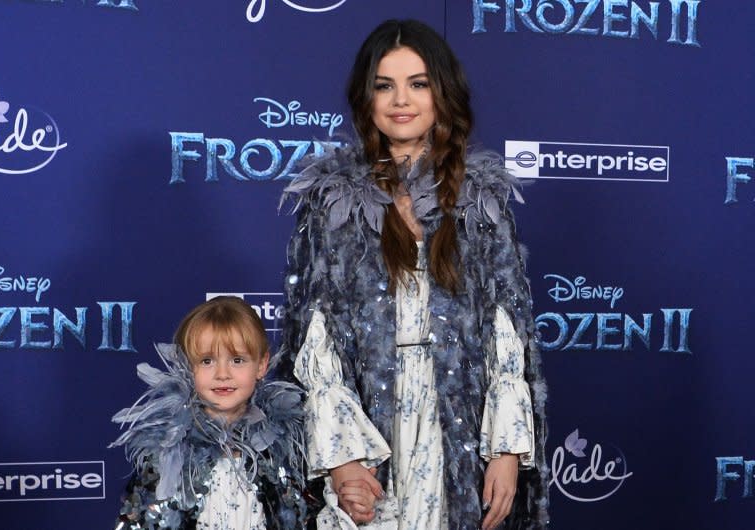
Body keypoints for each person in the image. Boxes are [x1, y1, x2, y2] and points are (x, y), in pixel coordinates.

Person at [277, 19, 549, 530]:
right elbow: (317, 336)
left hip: (462, 426)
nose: (401, 100)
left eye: (418, 83)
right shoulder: (332, 202)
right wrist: (342, 458)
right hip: (369, 426)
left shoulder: (480, 200)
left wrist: (507, 450)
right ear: (366, 97)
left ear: (442, 93)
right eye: (385, 85)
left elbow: (506, 333)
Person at [110, 296, 309, 529]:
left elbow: (299, 516)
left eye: (237, 360)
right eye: (207, 361)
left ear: (261, 364)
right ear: (186, 367)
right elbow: (142, 520)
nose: (222, 373)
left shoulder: (282, 447)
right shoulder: (168, 452)